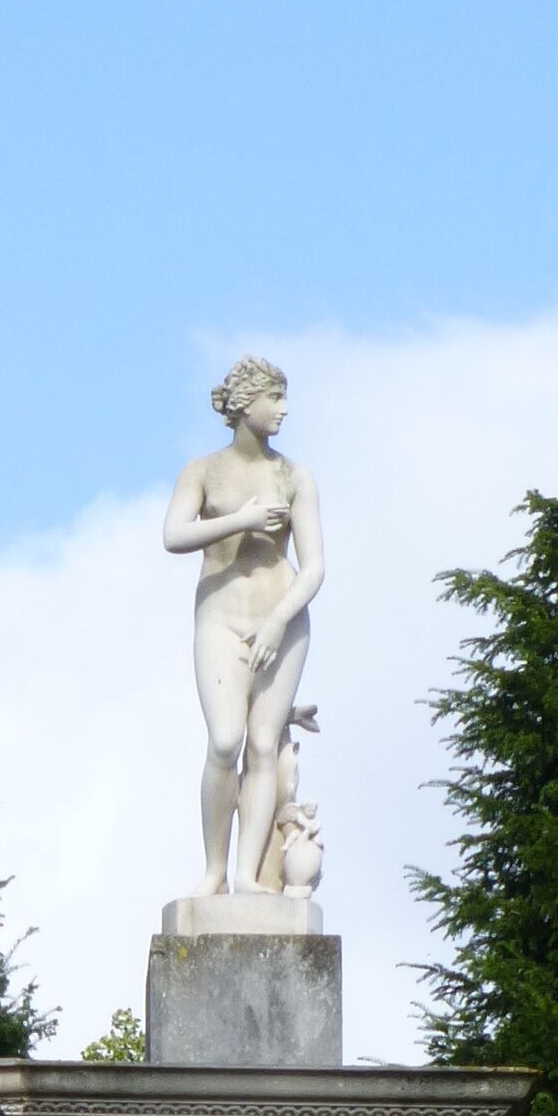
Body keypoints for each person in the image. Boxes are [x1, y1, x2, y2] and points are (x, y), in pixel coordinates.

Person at [162, 356, 326, 899]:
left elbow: (316, 567)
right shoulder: (203, 471)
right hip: (221, 615)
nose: (283, 409)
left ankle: (246, 876)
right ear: (244, 404)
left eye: (283, 397)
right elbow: (175, 535)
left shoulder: (295, 476)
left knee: (261, 746)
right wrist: (243, 520)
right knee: (225, 741)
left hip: (282, 620)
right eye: (274, 398)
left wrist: (280, 622)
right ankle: (214, 870)